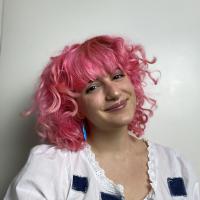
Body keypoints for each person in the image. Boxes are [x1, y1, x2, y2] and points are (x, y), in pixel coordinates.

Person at [4, 35, 199, 200]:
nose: (114, 92)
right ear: (74, 106)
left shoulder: (174, 164)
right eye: (93, 87)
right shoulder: (52, 166)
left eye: (117, 76)